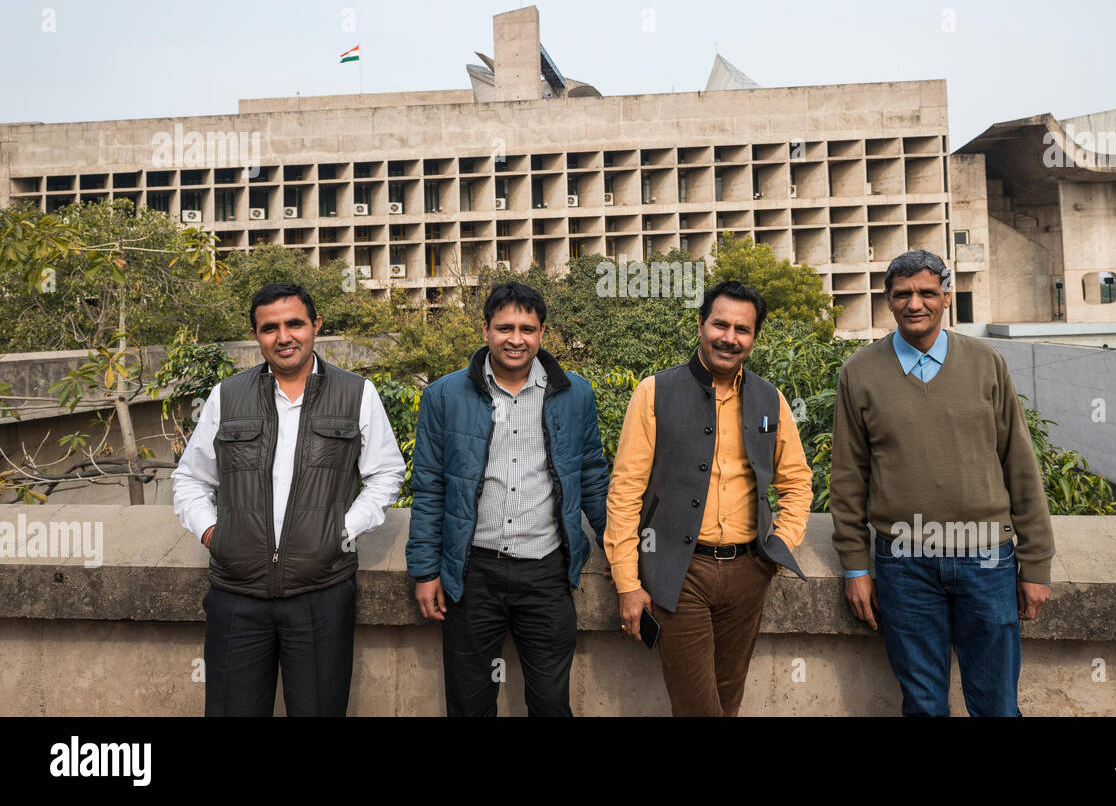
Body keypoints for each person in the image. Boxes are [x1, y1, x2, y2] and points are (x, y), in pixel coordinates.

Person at [829, 249, 1054, 716]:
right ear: (888, 301)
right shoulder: (859, 373)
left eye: (927, 292)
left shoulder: (986, 362)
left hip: (987, 557)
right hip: (904, 561)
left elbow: (1020, 464)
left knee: (997, 706)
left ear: (946, 297)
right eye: (903, 294)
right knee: (924, 706)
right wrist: (855, 567)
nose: (916, 303)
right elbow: (849, 478)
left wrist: (1036, 564)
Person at [172, 282, 405, 716]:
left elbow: (386, 473)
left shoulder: (357, 393)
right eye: (269, 328)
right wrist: (213, 533)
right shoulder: (227, 395)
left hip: (321, 591)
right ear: (257, 335)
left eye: (294, 323)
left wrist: (342, 531)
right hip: (237, 594)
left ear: (315, 325)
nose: (284, 337)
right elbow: (190, 478)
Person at [606, 280, 813, 716]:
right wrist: (628, 582)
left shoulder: (770, 400)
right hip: (679, 574)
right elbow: (625, 492)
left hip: (748, 573)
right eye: (720, 324)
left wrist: (780, 547)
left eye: (742, 329)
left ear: (753, 337)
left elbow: (796, 482)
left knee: (727, 700)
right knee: (699, 707)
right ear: (700, 324)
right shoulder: (654, 392)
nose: (729, 337)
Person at [406, 282, 608, 716]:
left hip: (547, 573)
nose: (516, 339)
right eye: (505, 328)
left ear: (541, 334)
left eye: (527, 329)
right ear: (485, 330)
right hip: (472, 574)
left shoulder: (576, 394)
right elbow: (429, 486)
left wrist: (625, 552)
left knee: (551, 703)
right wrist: (424, 571)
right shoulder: (443, 396)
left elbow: (591, 473)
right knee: (469, 703)